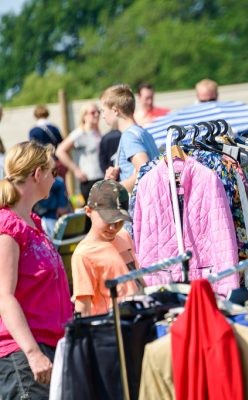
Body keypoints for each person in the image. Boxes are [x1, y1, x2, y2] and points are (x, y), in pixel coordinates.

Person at [0, 141, 72, 399]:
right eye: (53, 172)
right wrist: (32, 353)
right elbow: (4, 296)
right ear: (37, 174)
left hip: (48, 349)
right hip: (23, 357)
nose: (56, 178)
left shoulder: (32, 224)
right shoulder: (7, 227)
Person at [72, 180, 141, 317]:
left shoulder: (124, 236)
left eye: (119, 220)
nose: (113, 227)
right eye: (108, 219)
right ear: (88, 211)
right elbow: (83, 308)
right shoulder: (83, 255)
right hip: (113, 324)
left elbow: (138, 279)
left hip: (139, 316)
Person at [101, 84, 160, 192]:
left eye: (103, 111)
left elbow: (145, 172)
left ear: (115, 110)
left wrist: (115, 190)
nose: (103, 116)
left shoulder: (129, 137)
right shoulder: (143, 132)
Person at [56, 102, 104, 203]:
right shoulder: (79, 133)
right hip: (89, 179)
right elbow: (60, 151)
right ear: (84, 116)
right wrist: (76, 169)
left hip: (101, 177)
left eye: (98, 112)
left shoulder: (98, 132)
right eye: (93, 112)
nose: (97, 114)